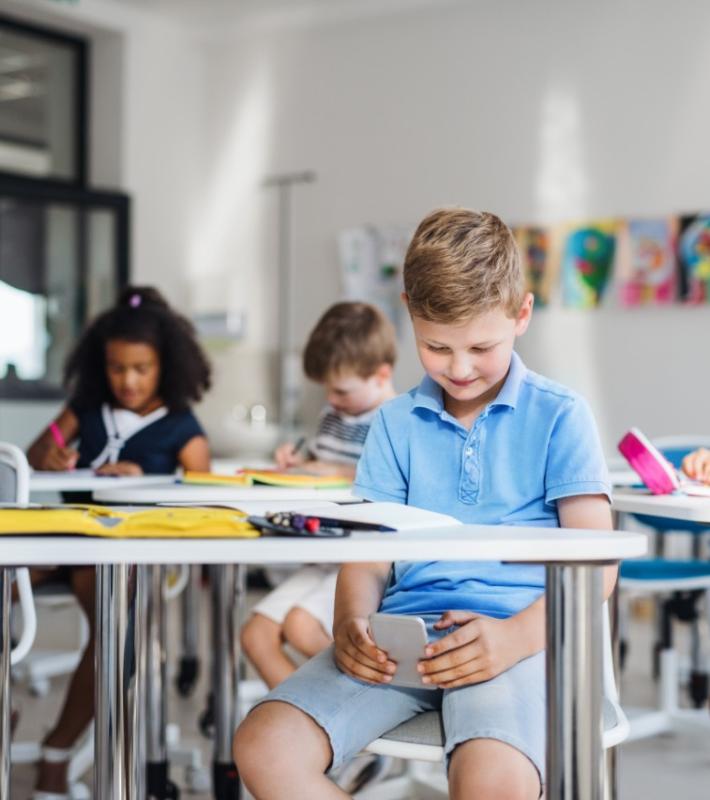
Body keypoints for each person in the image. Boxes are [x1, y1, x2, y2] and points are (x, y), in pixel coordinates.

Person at [234, 209, 617, 800]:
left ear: (521, 315)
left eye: (479, 347)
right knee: (263, 746)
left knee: (494, 782)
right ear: (409, 311)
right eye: (437, 347)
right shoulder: (392, 424)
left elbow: (599, 568)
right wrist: (349, 622)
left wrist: (513, 638)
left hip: (518, 641)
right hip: (403, 641)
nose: (459, 369)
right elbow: (368, 555)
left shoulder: (561, 415)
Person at [25, 285, 211, 798]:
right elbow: (36, 454)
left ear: (164, 367)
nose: (127, 381)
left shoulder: (182, 429)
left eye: (140, 369)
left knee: (110, 630)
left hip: (116, 553)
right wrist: (53, 455)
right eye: (116, 368)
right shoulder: (85, 409)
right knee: (8, 584)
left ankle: (57, 751)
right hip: (62, 534)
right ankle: (8, 703)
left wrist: (140, 482)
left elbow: (203, 506)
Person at [241, 302, 397, 691]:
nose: (331, 398)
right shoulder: (333, 418)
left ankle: (359, 716)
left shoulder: (395, 421)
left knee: (299, 625)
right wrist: (299, 462)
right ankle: (323, 740)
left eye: (341, 389)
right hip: (324, 554)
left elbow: (389, 482)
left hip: (363, 560)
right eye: (326, 389)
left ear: (381, 376)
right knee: (255, 636)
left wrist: (336, 471)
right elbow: (321, 462)